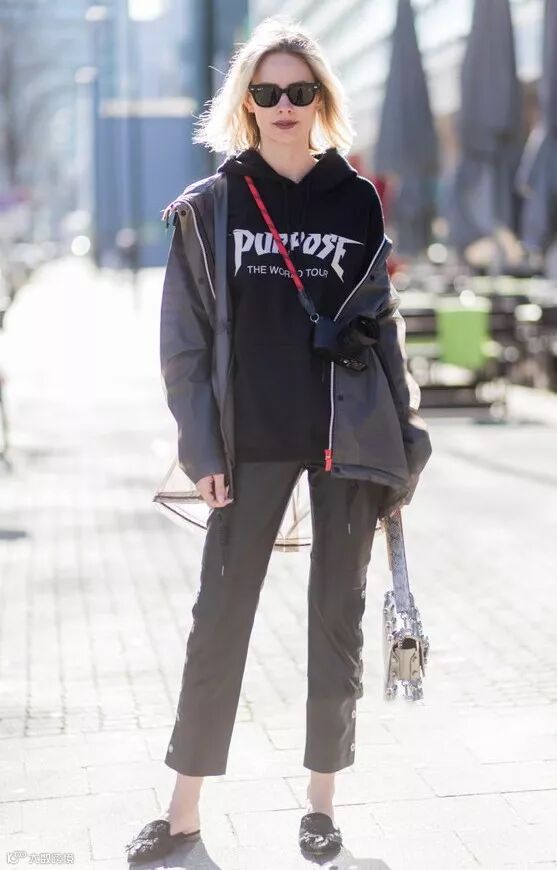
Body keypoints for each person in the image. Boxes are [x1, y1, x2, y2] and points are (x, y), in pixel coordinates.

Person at [125, 14, 432, 864]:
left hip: (347, 440)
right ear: (247, 104)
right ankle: (183, 813)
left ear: (320, 99)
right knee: (218, 617)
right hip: (248, 439)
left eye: (300, 91)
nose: (285, 105)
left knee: (337, 616)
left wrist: (404, 442)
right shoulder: (211, 206)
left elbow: (383, 324)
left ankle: (321, 805)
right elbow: (183, 342)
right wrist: (200, 449)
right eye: (268, 92)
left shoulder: (355, 198)